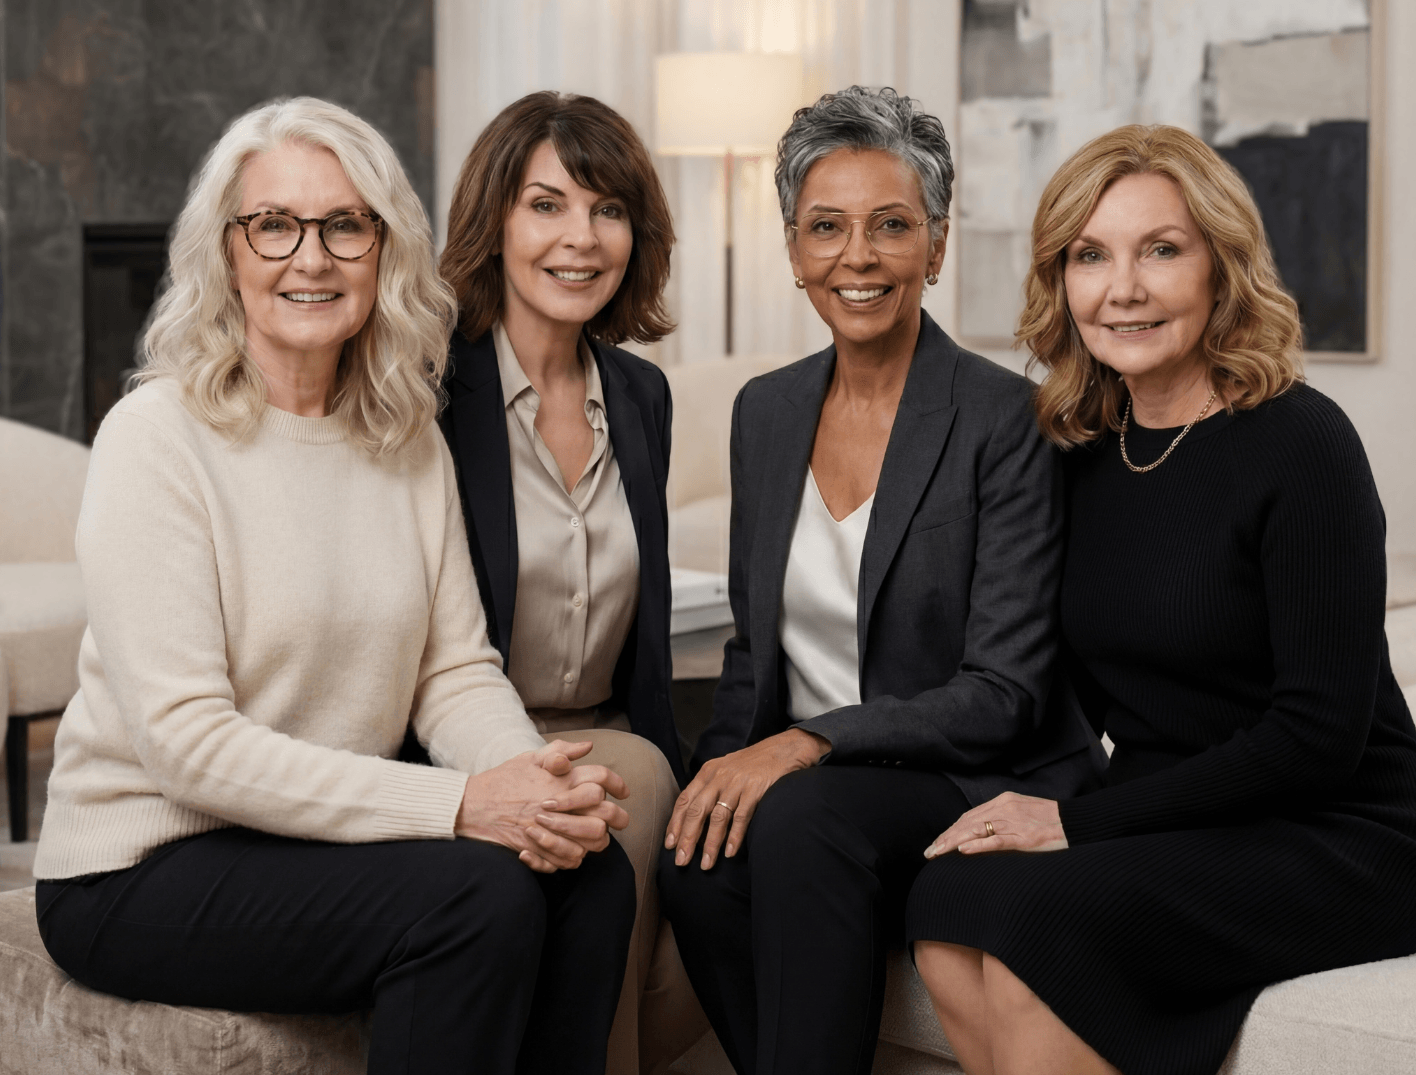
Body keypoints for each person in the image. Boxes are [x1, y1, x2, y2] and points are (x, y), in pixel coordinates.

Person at [31, 96, 638, 1075]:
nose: (309, 257)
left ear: (384, 249)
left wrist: (533, 786)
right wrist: (459, 806)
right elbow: (188, 746)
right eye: (273, 224)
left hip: (308, 843)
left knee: (587, 873)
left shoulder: (404, 439)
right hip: (140, 866)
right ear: (227, 251)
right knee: (472, 899)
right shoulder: (157, 439)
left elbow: (453, 672)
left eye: (344, 224)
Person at [908, 124, 1416, 1075]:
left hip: (1341, 827)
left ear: (1221, 267)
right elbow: (1052, 686)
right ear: (1062, 282)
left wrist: (1075, 823)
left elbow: (1317, 736)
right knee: (944, 902)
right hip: (1174, 811)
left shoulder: (1301, 444)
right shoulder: (1081, 453)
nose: (1122, 289)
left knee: (1037, 927)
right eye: (1090, 256)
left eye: (1161, 250)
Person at [656, 86, 1101, 1075]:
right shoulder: (762, 413)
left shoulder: (1005, 421)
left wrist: (804, 745)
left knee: (804, 819)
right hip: (821, 786)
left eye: (890, 226)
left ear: (935, 247)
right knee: (694, 860)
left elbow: (1005, 693)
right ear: (792, 246)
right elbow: (750, 645)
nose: (856, 257)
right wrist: (722, 769)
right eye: (826, 228)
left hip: (973, 774)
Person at [437, 91, 706, 1075]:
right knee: (613, 803)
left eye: (607, 210)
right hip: (463, 745)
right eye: (547, 205)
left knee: (644, 799)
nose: (580, 238)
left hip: (612, 732)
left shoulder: (640, 396)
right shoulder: (428, 384)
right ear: (494, 220)